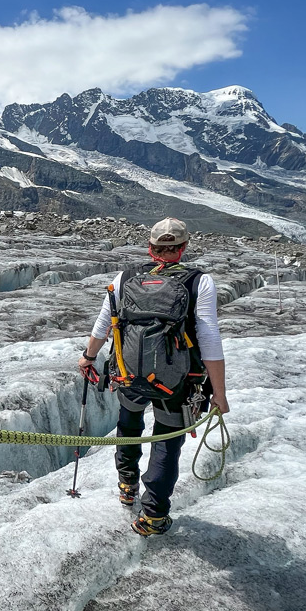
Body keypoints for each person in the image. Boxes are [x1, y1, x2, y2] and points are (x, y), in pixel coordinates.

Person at [78, 218, 229, 536]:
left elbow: (104, 323)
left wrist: (89, 357)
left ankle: (127, 484)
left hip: (129, 372)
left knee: (129, 425)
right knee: (165, 441)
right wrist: (219, 392)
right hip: (179, 380)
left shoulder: (126, 277)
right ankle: (154, 515)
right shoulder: (198, 282)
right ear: (183, 248)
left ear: (150, 247)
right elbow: (209, 337)